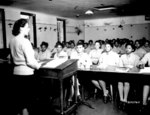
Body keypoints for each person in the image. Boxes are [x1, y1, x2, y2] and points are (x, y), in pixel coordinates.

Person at [9, 18, 43, 115]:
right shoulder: (25, 41)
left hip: (15, 74)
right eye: (27, 27)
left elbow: (12, 60)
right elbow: (30, 62)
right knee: (27, 104)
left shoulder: (12, 41)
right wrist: (39, 65)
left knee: (19, 102)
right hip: (26, 75)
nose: (29, 29)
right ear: (21, 28)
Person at [118, 43, 140, 110]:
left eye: (129, 48)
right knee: (120, 82)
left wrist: (130, 69)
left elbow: (137, 68)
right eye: (127, 48)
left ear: (133, 49)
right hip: (124, 73)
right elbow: (120, 66)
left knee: (126, 82)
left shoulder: (136, 57)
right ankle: (121, 100)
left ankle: (125, 100)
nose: (127, 49)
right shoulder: (122, 56)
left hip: (132, 75)